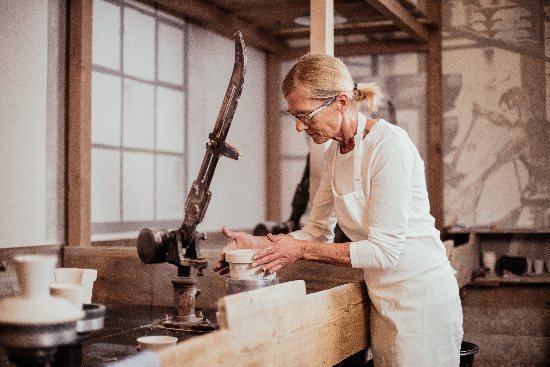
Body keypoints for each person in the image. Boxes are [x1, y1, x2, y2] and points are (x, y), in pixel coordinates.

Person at [213, 53, 463, 366]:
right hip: (383, 300)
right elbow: (317, 230)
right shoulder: (333, 154)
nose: (298, 127)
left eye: (305, 115)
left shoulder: (389, 147)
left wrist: (302, 251)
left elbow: (385, 252)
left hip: (422, 299)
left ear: (341, 102)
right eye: (294, 116)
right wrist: (259, 244)